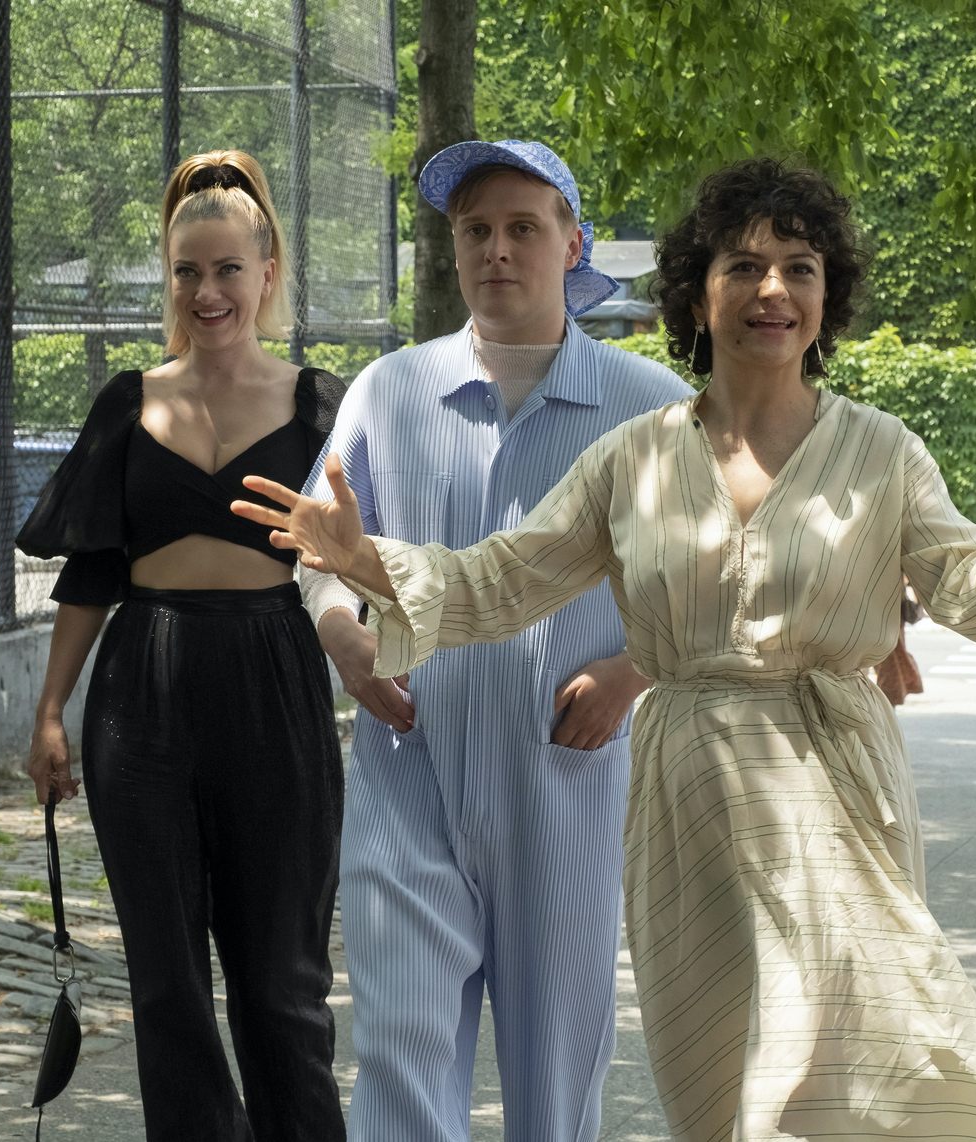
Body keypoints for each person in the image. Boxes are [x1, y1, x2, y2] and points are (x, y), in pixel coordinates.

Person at [237, 157, 976, 1141]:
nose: (773, 289)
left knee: (867, 1062)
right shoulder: (635, 456)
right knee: (722, 1081)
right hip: (685, 800)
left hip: (835, 789)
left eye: (800, 266)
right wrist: (365, 561)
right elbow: (500, 581)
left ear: (829, 296)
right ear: (698, 292)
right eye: (743, 265)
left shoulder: (883, 451)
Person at [294, 139, 689, 1140]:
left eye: (523, 227)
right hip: (407, 764)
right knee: (399, 1059)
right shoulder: (389, 391)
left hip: (564, 778)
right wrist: (343, 633)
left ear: (573, 245)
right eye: (475, 229)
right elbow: (320, 551)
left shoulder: (648, 409)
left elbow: (711, 579)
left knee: (555, 1075)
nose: (496, 249)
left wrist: (631, 669)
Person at [18, 150, 347, 1141]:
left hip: (274, 680)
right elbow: (90, 574)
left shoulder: (323, 406)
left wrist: (376, 659)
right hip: (141, 694)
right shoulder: (129, 403)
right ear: (168, 278)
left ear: (268, 270)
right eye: (187, 272)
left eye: (228, 269)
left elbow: (360, 568)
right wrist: (48, 710)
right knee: (165, 983)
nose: (208, 292)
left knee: (282, 984)